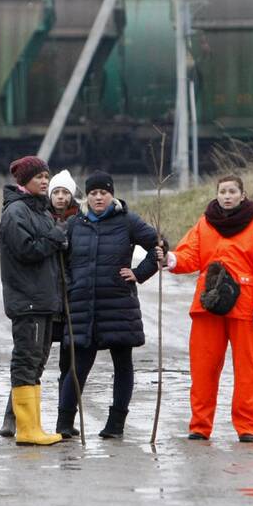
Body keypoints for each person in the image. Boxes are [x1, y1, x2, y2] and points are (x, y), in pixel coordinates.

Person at [161, 174, 253, 443]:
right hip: (208, 307)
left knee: (248, 370)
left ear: (242, 195)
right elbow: (190, 256)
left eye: (232, 191)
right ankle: (200, 426)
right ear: (217, 194)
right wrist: (170, 257)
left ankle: (248, 427)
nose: (227, 196)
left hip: (246, 309)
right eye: (222, 191)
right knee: (203, 369)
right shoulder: (205, 224)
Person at [55, 171, 162, 439]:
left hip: (118, 305)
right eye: (93, 193)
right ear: (86, 197)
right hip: (83, 306)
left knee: (122, 364)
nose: (98, 197)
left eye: (103, 192)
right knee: (77, 367)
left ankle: (115, 425)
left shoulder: (128, 221)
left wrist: (139, 273)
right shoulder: (74, 224)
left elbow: (159, 246)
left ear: (111, 194)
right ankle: (64, 423)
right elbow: (60, 261)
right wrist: (70, 283)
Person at [0, 156, 67, 446]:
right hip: (27, 301)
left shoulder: (38, 210)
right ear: (23, 180)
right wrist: (56, 236)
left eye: (46, 175)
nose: (44, 180)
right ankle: (26, 430)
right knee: (26, 361)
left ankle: (33, 425)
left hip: (42, 301)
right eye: (38, 176)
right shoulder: (16, 212)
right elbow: (26, 250)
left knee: (36, 362)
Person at [47, 169, 81, 435]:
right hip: (47, 299)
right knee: (33, 361)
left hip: (70, 300)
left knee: (69, 364)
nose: (60, 197)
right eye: (56, 192)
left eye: (65, 193)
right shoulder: (41, 218)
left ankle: (65, 419)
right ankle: (13, 418)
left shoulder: (80, 221)